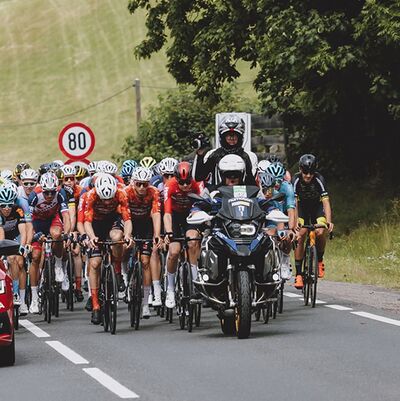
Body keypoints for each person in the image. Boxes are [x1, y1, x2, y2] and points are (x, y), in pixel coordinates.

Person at [84, 173, 133, 324]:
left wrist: (128, 236)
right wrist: (91, 237)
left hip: (113, 221)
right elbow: (86, 222)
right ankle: (96, 305)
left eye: (109, 199)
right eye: (103, 199)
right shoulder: (91, 195)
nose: (106, 203)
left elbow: (127, 219)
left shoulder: (121, 193)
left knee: (118, 239)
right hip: (96, 224)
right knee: (95, 263)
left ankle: (117, 271)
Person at [28, 172, 71, 313]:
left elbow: (66, 216)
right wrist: (34, 234)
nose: (49, 196)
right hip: (36, 223)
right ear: (42, 189)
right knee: (35, 257)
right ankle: (34, 299)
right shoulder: (34, 195)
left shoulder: (61, 193)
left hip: (53, 220)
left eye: (52, 193)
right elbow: (28, 222)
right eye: (47, 193)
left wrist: (67, 234)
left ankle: (59, 266)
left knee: (58, 235)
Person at [163, 162, 203, 308]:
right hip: (174, 215)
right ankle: (170, 290)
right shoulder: (170, 185)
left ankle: (196, 283)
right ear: (176, 179)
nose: (185, 186)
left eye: (187, 182)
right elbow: (167, 214)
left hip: (191, 214)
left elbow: (202, 207)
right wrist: (168, 232)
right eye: (182, 182)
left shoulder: (197, 184)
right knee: (174, 251)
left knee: (193, 242)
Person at [124, 167, 162, 318]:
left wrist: (157, 235)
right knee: (124, 248)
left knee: (145, 261)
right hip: (130, 223)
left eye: (145, 184)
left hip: (146, 225)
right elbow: (125, 216)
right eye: (139, 184)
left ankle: (145, 303)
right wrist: (128, 235)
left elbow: (156, 214)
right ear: (133, 183)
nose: (141, 188)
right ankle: (125, 278)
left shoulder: (153, 192)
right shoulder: (126, 193)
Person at [292, 154, 334, 289]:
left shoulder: (319, 179)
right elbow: (294, 203)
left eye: (311, 173)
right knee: (300, 234)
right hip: (302, 208)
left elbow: (326, 202)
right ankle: (298, 274)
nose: (308, 176)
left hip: (317, 208)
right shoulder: (296, 179)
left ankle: (320, 260)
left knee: (320, 231)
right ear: (300, 169)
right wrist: (296, 222)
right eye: (305, 172)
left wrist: (329, 221)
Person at [192, 114, 258, 186]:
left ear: (240, 137)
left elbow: (252, 184)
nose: (231, 138)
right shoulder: (214, 154)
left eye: (235, 135)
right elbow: (199, 177)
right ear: (222, 137)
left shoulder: (249, 156)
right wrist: (200, 155)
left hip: (242, 195)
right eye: (228, 135)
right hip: (218, 195)